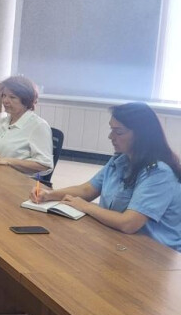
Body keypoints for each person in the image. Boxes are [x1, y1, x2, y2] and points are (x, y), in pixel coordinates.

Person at [31, 102, 181, 251]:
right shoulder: (120, 159)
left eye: (118, 132)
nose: (111, 136)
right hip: (118, 240)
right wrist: (49, 195)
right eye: (111, 130)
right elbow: (87, 190)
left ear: (142, 135)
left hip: (153, 252)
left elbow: (128, 223)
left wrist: (86, 206)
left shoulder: (158, 172)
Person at [0, 75, 53, 175]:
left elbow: (44, 165)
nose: (5, 101)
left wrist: (8, 161)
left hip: (15, 179)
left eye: (12, 97)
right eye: (4, 95)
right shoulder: (3, 121)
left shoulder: (38, 126)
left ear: (26, 100)